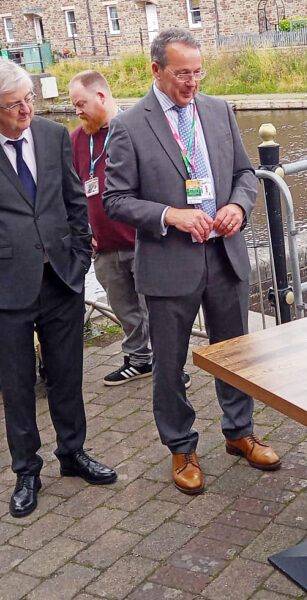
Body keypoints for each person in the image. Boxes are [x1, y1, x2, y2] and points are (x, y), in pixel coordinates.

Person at [103, 28, 280, 496]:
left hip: (224, 254)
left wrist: (238, 208)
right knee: (169, 363)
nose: (192, 82)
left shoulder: (219, 110)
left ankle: (239, 432)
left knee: (235, 354)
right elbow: (115, 201)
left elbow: (246, 174)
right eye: (182, 73)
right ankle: (181, 447)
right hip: (168, 264)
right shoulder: (128, 125)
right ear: (155, 70)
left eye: (198, 72)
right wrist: (170, 215)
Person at [0, 60, 117, 518]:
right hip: (8, 285)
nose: (26, 110)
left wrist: (80, 258)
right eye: (14, 105)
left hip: (61, 278)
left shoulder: (51, 136)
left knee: (67, 375)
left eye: (29, 99)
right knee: (17, 382)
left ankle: (73, 454)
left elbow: (74, 199)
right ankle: (27, 470)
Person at [69, 70, 154, 386]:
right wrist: (81, 230)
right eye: (75, 105)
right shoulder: (76, 140)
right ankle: (138, 360)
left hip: (142, 240)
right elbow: (73, 191)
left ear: (101, 97)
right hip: (103, 246)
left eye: (81, 104)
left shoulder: (136, 128)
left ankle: (168, 363)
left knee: (155, 308)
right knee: (125, 309)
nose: (77, 111)